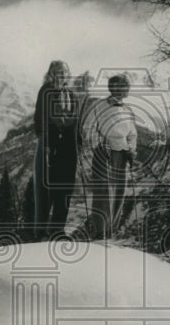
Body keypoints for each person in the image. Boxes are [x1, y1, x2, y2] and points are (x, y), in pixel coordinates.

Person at [81, 73, 137, 239]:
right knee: (103, 191)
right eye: (123, 86)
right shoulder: (100, 106)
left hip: (122, 153)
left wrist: (131, 149)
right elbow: (88, 128)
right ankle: (100, 231)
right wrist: (100, 143)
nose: (126, 89)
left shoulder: (128, 110)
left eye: (127, 87)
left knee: (120, 190)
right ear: (113, 88)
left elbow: (133, 133)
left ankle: (111, 231)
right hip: (103, 152)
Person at [32, 60, 80, 239]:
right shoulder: (46, 91)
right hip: (49, 143)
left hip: (68, 147)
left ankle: (57, 229)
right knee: (46, 189)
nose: (62, 74)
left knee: (65, 187)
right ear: (51, 73)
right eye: (58, 71)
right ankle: (41, 232)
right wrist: (45, 143)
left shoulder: (72, 95)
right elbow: (40, 118)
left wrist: (79, 143)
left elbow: (76, 122)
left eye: (65, 71)